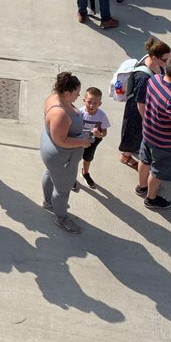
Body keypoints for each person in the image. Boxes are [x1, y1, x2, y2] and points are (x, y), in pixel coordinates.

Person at [42, 72, 100, 233]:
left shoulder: (53, 97)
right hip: (62, 157)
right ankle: (60, 218)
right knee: (62, 190)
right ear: (66, 93)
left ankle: (48, 202)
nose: (78, 96)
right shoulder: (60, 113)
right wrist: (82, 141)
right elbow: (61, 140)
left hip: (50, 151)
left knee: (50, 173)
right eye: (76, 93)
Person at [136, 51, 171, 210]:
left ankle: (141, 187)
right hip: (164, 143)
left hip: (148, 133)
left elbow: (144, 103)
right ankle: (151, 199)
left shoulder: (154, 80)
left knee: (144, 160)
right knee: (157, 172)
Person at [117, 38, 171, 171]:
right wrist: (148, 122)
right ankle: (126, 156)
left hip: (147, 108)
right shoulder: (143, 77)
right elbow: (140, 103)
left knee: (139, 136)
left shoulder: (155, 64)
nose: (167, 62)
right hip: (136, 113)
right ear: (154, 57)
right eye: (165, 60)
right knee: (133, 134)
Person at [77, 87, 110, 189]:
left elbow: (104, 132)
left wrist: (100, 134)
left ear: (99, 104)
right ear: (84, 101)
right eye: (89, 102)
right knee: (75, 158)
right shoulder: (79, 113)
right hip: (79, 139)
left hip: (93, 140)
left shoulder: (101, 116)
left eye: (95, 103)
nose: (91, 105)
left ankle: (85, 172)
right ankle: (72, 175)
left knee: (88, 157)